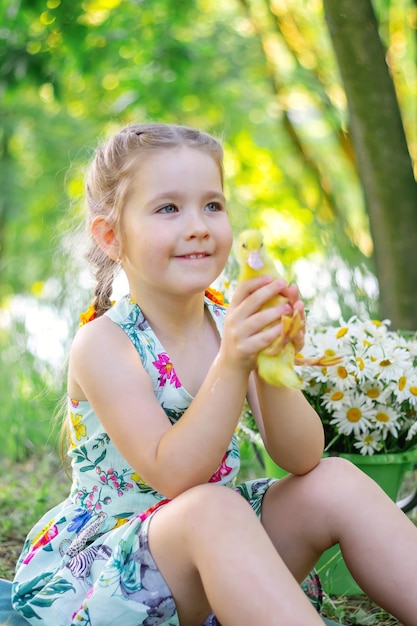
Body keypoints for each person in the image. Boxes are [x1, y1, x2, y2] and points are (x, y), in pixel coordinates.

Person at [11, 122, 417, 626]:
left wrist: (272, 363)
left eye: (212, 205)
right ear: (111, 236)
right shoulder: (105, 344)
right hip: (112, 572)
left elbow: (302, 455)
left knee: (334, 480)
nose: (199, 225)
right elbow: (177, 475)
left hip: (217, 557)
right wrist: (235, 359)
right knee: (210, 506)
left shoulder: (226, 324)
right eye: (168, 208)